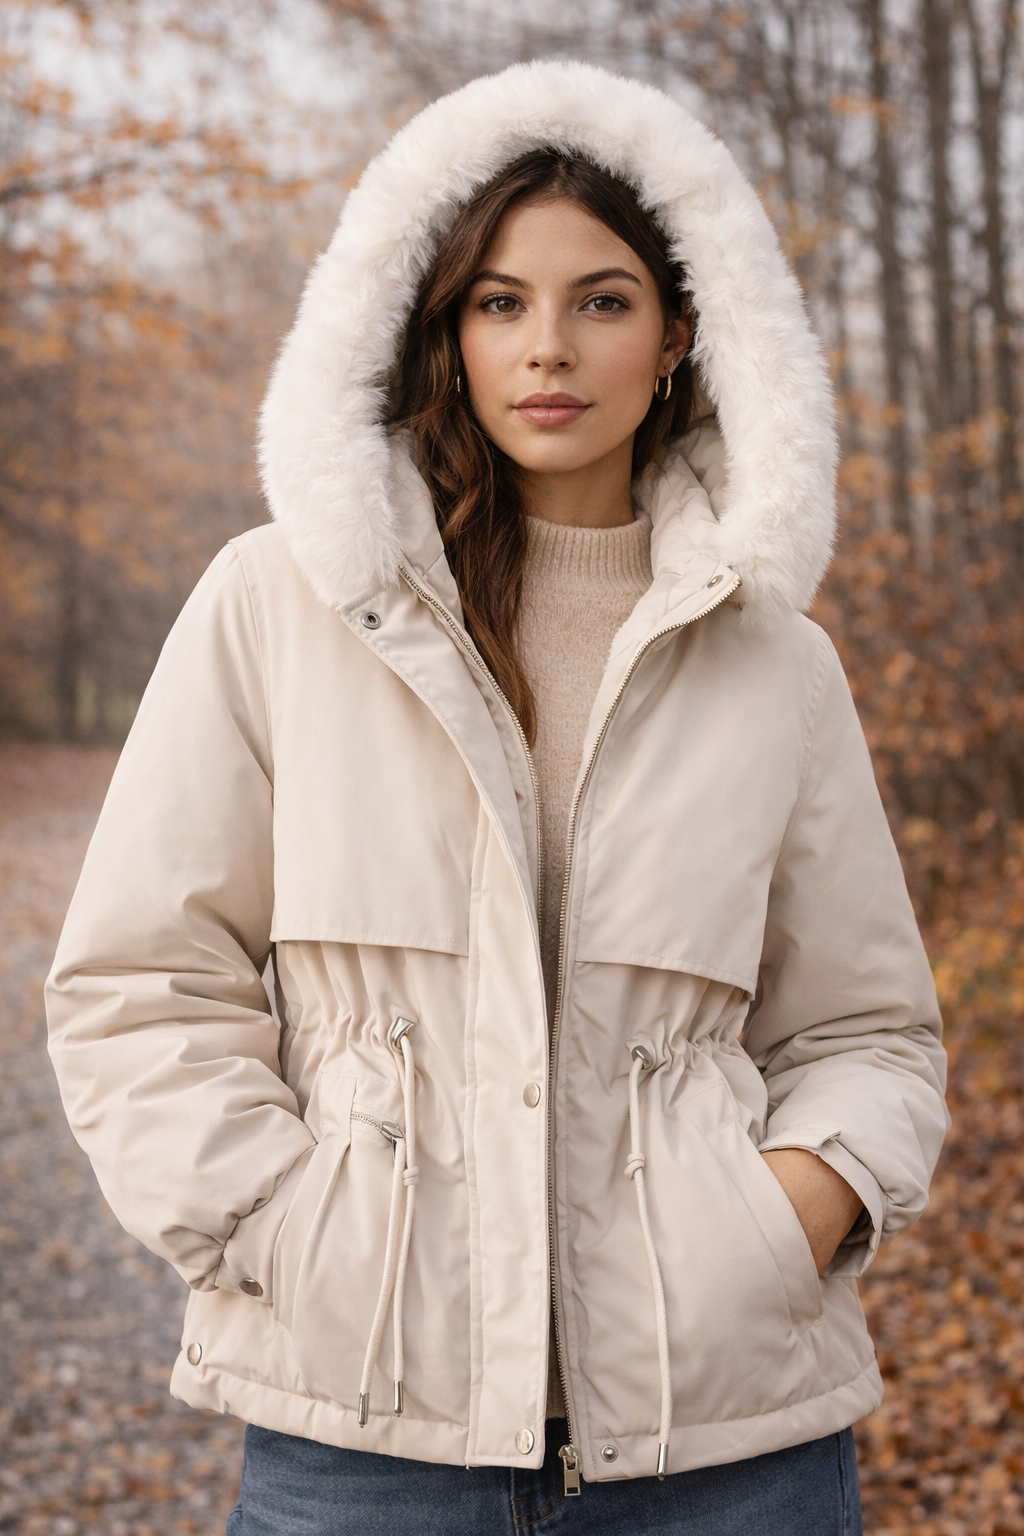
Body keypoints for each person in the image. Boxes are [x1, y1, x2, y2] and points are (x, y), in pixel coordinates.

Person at [46, 60, 949, 1536]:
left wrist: (788, 1213)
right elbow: (140, 981)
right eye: (500, 302)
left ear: (678, 335)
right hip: (362, 1435)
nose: (549, 347)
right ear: (443, 331)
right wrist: (283, 1229)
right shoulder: (284, 604)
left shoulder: (776, 659)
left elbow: (868, 1030)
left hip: (723, 1446)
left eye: (603, 300)